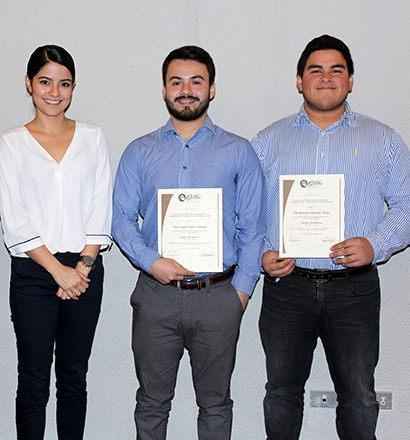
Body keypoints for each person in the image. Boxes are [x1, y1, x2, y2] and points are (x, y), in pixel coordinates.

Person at [251, 34, 410, 440]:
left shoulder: (383, 139)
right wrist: (262, 252)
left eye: (337, 70)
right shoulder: (268, 141)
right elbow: (247, 212)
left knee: (360, 396)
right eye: (316, 70)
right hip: (287, 287)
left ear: (350, 81)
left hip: (354, 290)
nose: (326, 78)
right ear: (299, 81)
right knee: (280, 394)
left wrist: (374, 244)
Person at [112, 45, 266, 440]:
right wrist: (152, 262)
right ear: (163, 89)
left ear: (211, 89)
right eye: (176, 81)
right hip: (156, 294)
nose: (186, 89)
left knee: (215, 406)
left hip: (219, 295)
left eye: (196, 81)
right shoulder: (138, 151)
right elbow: (121, 221)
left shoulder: (239, 151)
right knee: (151, 402)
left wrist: (242, 294)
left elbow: (253, 227)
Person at [0, 45, 112, 440]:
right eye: (45, 81)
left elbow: (100, 204)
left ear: (73, 87)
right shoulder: (11, 142)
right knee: (32, 380)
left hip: (84, 270)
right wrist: (58, 271)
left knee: (74, 378)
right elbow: (14, 217)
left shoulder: (93, 137)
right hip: (34, 274)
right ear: (29, 84)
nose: (54, 92)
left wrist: (81, 268)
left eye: (64, 83)